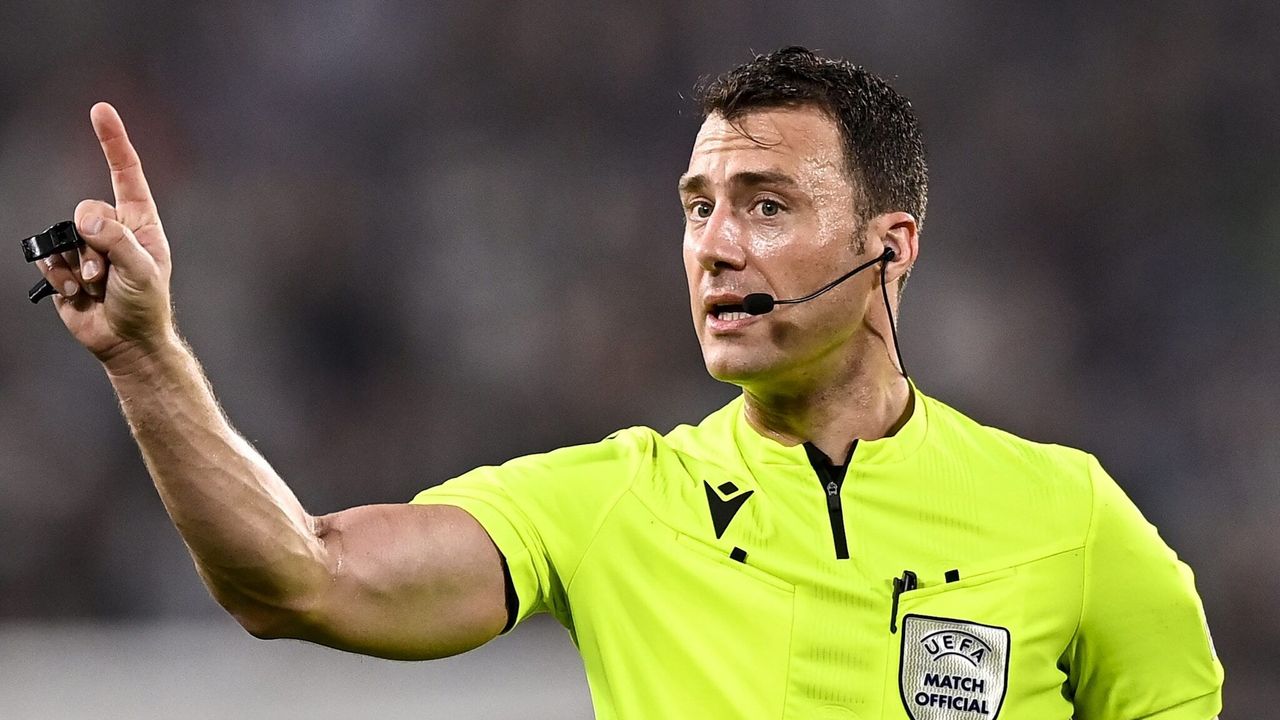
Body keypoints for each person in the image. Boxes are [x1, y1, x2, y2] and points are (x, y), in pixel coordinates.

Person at [37, 47, 1222, 719]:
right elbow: (297, 581)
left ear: (888, 248)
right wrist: (145, 357)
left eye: (765, 204)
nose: (715, 245)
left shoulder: (1069, 518)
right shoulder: (615, 503)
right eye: (698, 208)